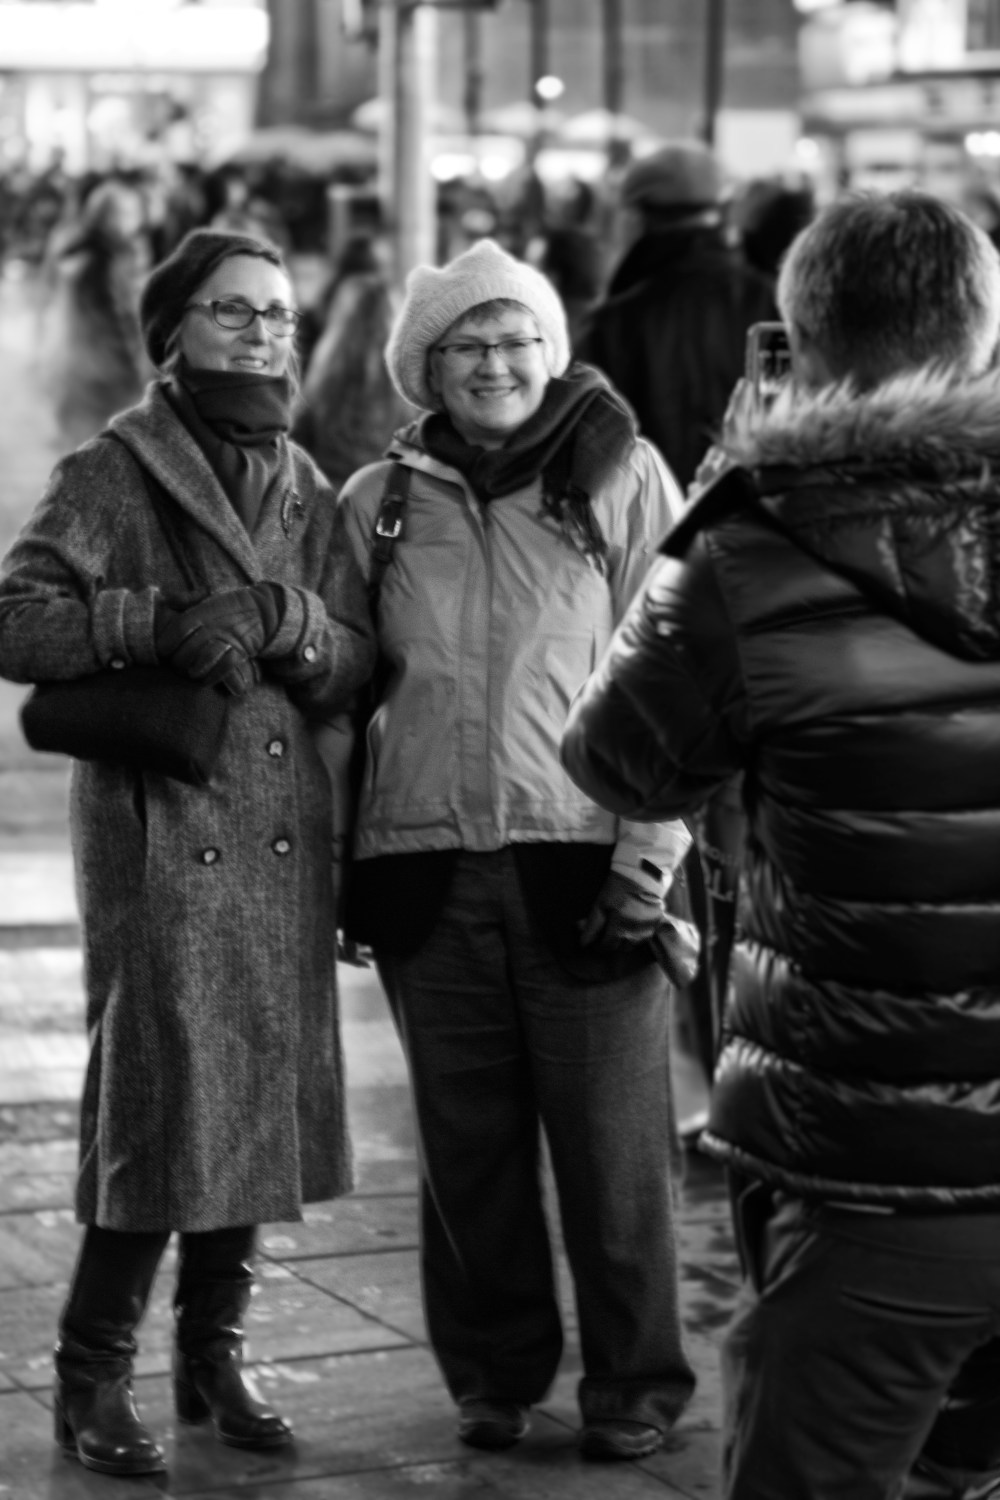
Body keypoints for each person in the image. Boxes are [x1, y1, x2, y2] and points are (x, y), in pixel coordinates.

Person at [561, 190, 1000, 1499]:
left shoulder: (750, 548)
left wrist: (719, 498)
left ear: (798, 346)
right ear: (986, 336)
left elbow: (618, 762)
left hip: (874, 1169)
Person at [0, 228, 375, 1476]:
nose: (263, 333)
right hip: (162, 838)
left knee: (251, 1101)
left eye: (278, 312)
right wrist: (155, 626)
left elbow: (356, 658)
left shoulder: (304, 476)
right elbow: (16, 621)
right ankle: (90, 1377)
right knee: (160, 1107)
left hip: (278, 842)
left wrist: (293, 620)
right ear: (174, 331)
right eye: (234, 310)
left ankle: (213, 1359)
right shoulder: (115, 468)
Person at [335, 237, 696, 1463]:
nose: (494, 364)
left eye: (514, 339)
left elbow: (683, 681)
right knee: (466, 1155)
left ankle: (635, 1386)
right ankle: (492, 1377)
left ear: (552, 349)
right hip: (422, 868)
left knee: (616, 1157)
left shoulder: (622, 477)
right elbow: (340, 697)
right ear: (425, 370)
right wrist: (336, 864)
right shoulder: (377, 502)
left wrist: (647, 857)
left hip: (584, 861)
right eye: (466, 346)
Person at [577, 139, 776, 492]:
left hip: (647, 514)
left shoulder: (616, 321)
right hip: (753, 509)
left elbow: (586, 445)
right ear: (722, 212)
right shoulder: (773, 301)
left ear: (636, 217)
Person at [40, 176, 150, 452]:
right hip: (105, 370)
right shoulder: (108, 259)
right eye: (128, 214)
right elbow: (117, 316)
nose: (136, 222)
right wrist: (137, 367)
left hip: (75, 367)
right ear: (110, 217)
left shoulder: (76, 248)